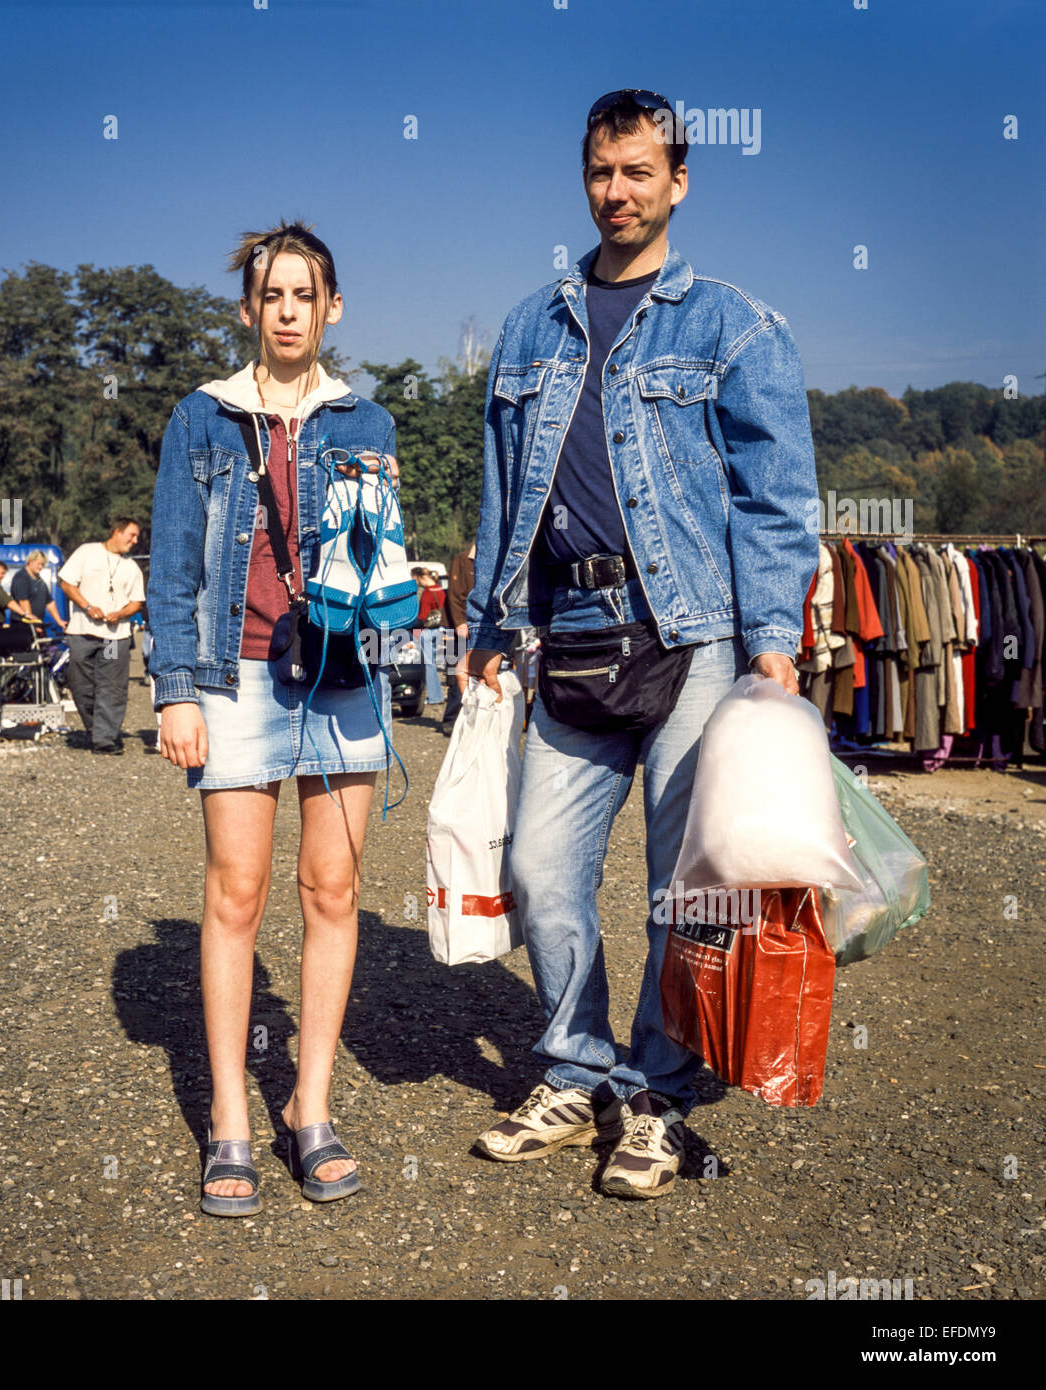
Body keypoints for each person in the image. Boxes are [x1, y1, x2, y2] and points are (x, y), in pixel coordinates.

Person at [460, 89, 819, 1198]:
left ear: (675, 181)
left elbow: (776, 497)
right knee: (536, 868)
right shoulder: (530, 326)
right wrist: (488, 618)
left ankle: (655, 1097)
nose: (615, 191)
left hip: (692, 631)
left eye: (635, 172)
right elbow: (494, 487)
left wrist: (771, 640)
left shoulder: (735, 326)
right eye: (599, 173)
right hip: (564, 628)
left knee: (683, 886)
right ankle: (576, 1067)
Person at [147, 221, 402, 1217]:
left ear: (331, 309)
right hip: (233, 675)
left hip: (339, 675)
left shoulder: (366, 421)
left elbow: (376, 561)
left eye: (307, 294)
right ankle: (229, 1120)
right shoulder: (201, 419)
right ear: (249, 309)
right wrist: (173, 686)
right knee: (235, 894)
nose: (289, 310)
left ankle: (309, 1105)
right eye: (273, 294)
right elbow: (173, 559)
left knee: (332, 889)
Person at [59, 519, 145, 753]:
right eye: (132, 535)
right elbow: (67, 584)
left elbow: (137, 602)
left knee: (112, 686)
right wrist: (87, 607)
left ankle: (105, 739)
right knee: (80, 684)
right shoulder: (87, 552)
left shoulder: (131, 568)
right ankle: (97, 729)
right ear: (117, 532)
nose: (135, 541)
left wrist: (120, 613)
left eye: (137, 537)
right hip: (81, 631)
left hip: (114, 637)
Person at [441, 542, 475, 733]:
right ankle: (450, 720)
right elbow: (454, 594)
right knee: (456, 674)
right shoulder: (461, 560)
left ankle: (470, 721)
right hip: (460, 629)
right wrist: (460, 622)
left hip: (479, 626)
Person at [412, 567, 446, 706]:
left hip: (426, 631)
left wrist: (415, 634)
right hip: (438, 629)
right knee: (433, 664)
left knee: (428, 664)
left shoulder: (427, 593)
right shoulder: (440, 589)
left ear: (420, 577)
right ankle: (438, 694)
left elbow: (422, 616)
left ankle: (434, 697)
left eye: (415, 580)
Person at [10, 550, 66, 631]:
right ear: (30, 562)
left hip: (36, 624)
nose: (40, 567)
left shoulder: (40, 581)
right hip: (22, 626)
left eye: (42, 565)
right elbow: (23, 602)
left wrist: (59, 621)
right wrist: (34, 623)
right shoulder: (21, 577)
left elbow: (50, 603)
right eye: (38, 564)